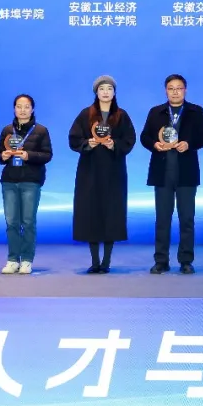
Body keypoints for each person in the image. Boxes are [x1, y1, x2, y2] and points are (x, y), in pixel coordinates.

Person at [141, 74, 203, 274]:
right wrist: (154, 144)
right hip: (162, 172)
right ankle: (161, 261)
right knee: (162, 219)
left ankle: (186, 261)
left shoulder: (196, 111)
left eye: (179, 88)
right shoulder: (156, 112)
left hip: (186, 172)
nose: (175, 92)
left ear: (185, 90)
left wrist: (189, 144)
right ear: (166, 91)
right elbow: (144, 137)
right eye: (171, 88)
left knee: (187, 218)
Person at [70, 76, 136, 273]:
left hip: (114, 171)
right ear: (96, 92)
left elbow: (130, 139)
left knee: (111, 213)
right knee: (91, 213)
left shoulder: (121, 115)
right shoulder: (86, 114)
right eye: (102, 89)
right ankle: (94, 261)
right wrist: (87, 143)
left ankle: (106, 261)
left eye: (109, 88)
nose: (106, 92)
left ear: (114, 92)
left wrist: (114, 144)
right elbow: (73, 138)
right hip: (89, 171)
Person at [0, 94, 53, 275]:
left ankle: (27, 260)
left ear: (32, 109)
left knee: (28, 222)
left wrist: (29, 155)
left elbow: (47, 155)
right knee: (11, 222)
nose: (22, 110)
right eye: (19, 106)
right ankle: (13, 259)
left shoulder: (41, 130)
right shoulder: (7, 130)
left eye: (26, 106)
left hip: (31, 180)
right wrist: (3, 156)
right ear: (14, 109)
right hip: (9, 181)